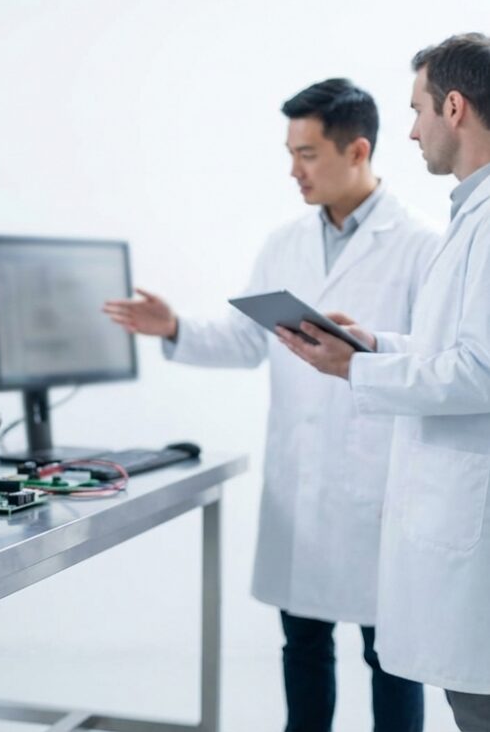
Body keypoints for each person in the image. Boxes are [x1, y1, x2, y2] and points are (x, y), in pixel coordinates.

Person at [104, 78, 438, 732]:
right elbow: (244, 341)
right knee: (304, 647)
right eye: (291, 153)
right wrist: (173, 327)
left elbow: (431, 363)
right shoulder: (285, 243)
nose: (293, 170)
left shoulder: (422, 247)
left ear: (358, 151)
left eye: (307, 154)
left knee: (392, 657)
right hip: (303, 486)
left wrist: (366, 356)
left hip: (380, 489)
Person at [277, 33, 490, 732]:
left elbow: (481, 372)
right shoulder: (471, 217)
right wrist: (374, 344)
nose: (410, 128)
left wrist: (356, 367)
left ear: (453, 108)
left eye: (417, 108)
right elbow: (451, 349)